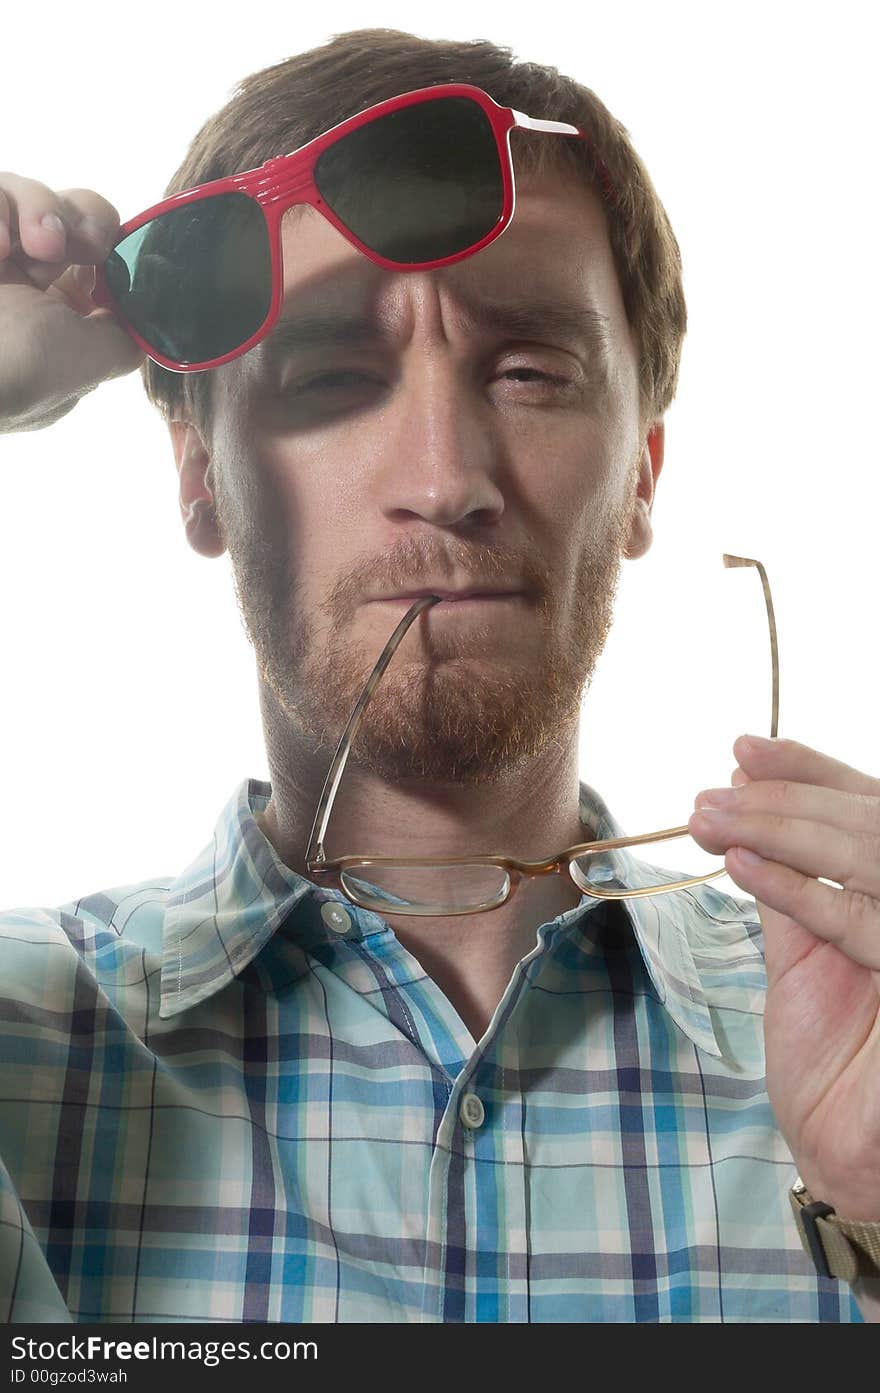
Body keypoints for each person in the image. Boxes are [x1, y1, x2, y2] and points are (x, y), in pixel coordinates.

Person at [0, 28, 877, 1325]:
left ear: (641, 471)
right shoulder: (21, 1048)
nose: (444, 479)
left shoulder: (849, 1042)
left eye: (531, 373)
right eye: (336, 376)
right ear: (200, 475)